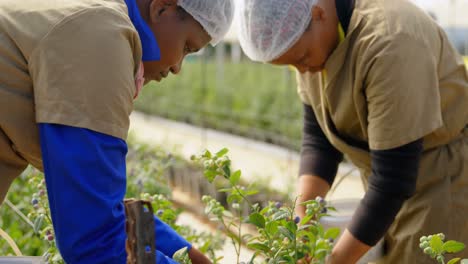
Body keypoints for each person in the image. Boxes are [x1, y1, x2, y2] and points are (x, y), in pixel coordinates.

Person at [0, 0, 234, 263]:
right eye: (187, 47)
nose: (178, 67)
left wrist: (187, 254)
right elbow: (95, 243)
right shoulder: (100, 39)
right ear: (162, 8)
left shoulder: (92, 17)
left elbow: (97, 200)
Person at [237, 0, 467, 263]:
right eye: (293, 65)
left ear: (318, 14)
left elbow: (393, 178)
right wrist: (301, 224)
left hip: (438, 183)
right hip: (385, 189)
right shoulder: (311, 39)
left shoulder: (390, 42)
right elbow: (319, 140)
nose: (303, 70)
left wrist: (335, 260)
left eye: (301, 59)